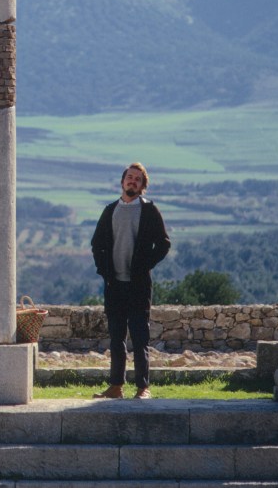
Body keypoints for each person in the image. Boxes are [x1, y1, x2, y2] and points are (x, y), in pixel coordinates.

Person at [90, 162, 171, 399]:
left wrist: (145, 265)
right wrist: (104, 271)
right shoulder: (110, 210)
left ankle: (143, 388)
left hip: (138, 286)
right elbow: (96, 244)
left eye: (137, 179)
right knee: (116, 338)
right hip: (114, 285)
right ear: (122, 181)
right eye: (130, 177)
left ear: (143, 185)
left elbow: (164, 244)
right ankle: (116, 386)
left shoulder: (149, 211)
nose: (132, 181)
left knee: (139, 337)